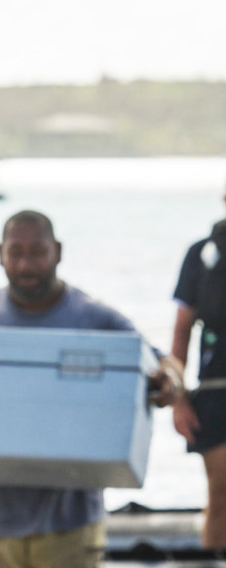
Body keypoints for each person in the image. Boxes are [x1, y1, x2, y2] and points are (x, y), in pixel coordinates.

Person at [0, 209, 183, 568]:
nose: (26, 264)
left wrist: (170, 382)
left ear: (57, 251)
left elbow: (166, 365)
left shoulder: (96, 319)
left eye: (37, 252)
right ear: (0, 254)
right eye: (16, 252)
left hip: (71, 527)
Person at [171, 193, 226, 548]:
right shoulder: (202, 254)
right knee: (222, 493)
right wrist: (178, 401)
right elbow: (181, 330)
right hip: (215, 392)